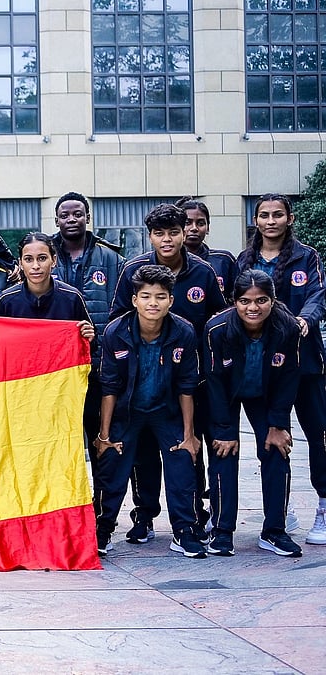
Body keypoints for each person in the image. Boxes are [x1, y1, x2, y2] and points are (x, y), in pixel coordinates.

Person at [109, 204, 226, 545]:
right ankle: (143, 516)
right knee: (142, 452)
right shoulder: (134, 269)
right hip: (143, 379)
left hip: (190, 378)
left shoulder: (203, 272)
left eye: (174, 232)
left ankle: (194, 516)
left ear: (184, 231)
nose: (168, 239)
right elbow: (119, 319)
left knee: (190, 447)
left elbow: (219, 319)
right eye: (159, 233)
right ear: (150, 236)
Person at [93, 265, 202, 558]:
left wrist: (189, 434)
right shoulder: (116, 331)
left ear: (171, 300)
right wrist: (104, 435)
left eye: (160, 296)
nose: (153, 303)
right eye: (146, 296)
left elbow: (187, 385)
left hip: (167, 411)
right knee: (112, 464)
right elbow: (109, 386)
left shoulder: (183, 331)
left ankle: (185, 530)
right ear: (134, 300)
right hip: (127, 412)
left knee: (182, 462)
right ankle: (102, 529)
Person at [236, 193, 326, 546]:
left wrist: (305, 321)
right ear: (255, 220)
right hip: (262, 363)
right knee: (272, 438)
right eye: (263, 215)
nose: (270, 220)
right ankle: (279, 510)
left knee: (318, 434)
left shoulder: (308, 257)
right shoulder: (245, 259)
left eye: (277, 214)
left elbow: (319, 295)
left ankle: (322, 506)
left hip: (304, 362)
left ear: (290, 219)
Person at [204, 270, 303, 557]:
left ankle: (274, 530)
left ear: (272, 301)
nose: (253, 308)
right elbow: (213, 379)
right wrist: (224, 429)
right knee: (224, 452)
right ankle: (222, 531)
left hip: (267, 394)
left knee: (276, 450)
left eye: (261, 300)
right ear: (234, 302)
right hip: (227, 393)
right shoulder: (217, 329)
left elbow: (289, 377)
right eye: (245, 301)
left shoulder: (287, 328)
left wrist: (278, 423)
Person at [51, 191, 125, 455]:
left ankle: (102, 496)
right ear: (56, 220)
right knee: (61, 439)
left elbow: (124, 308)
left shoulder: (111, 258)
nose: (72, 219)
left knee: (100, 435)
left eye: (78, 214)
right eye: (65, 215)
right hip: (55, 366)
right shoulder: (43, 256)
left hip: (99, 362)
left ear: (88, 218)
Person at [0, 232, 96, 341]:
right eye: (28, 259)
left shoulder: (72, 298)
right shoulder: (6, 300)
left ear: (53, 260)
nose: (36, 266)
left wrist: (89, 336)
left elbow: (90, 344)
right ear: (21, 264)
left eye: (42, 258)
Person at [177, 197, 238, 300]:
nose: (194, 228)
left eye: (200, 223)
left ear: (208, 228)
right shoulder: (164, 260)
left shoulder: (224, 260)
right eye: (187, 223)